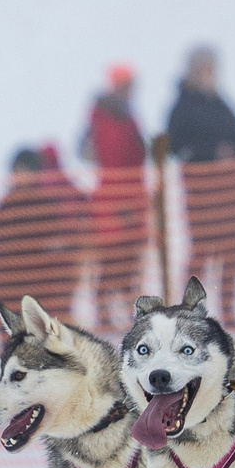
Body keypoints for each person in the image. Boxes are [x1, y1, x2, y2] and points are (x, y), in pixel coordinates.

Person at [165, 45, 235, 320]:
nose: (208, 74)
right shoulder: (180, 107)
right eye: (203, 68)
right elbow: (175, 148)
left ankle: (229, 311)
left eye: (212, 68)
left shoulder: (221, 102)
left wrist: (234, 150)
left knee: (233, 253)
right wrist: (211, 154)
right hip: (202, 197)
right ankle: (189, 312)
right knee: (201, 255)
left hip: (230, 194)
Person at [79, 64, 148, 325]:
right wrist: (124, 201)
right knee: (113, 259)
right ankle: (104, 311)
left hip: (129, 196)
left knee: (128, 258)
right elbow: (113, 161)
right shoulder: (109, 118)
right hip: (115, 199)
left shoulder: (124, 116)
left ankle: (121, 309)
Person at [0, 146, 87, 324]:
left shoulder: (44, 204)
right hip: (13, 286)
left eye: (25, 171)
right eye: (18, 171)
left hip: (42, 287)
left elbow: (57, 243)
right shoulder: (6, 205)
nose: (20, 176)